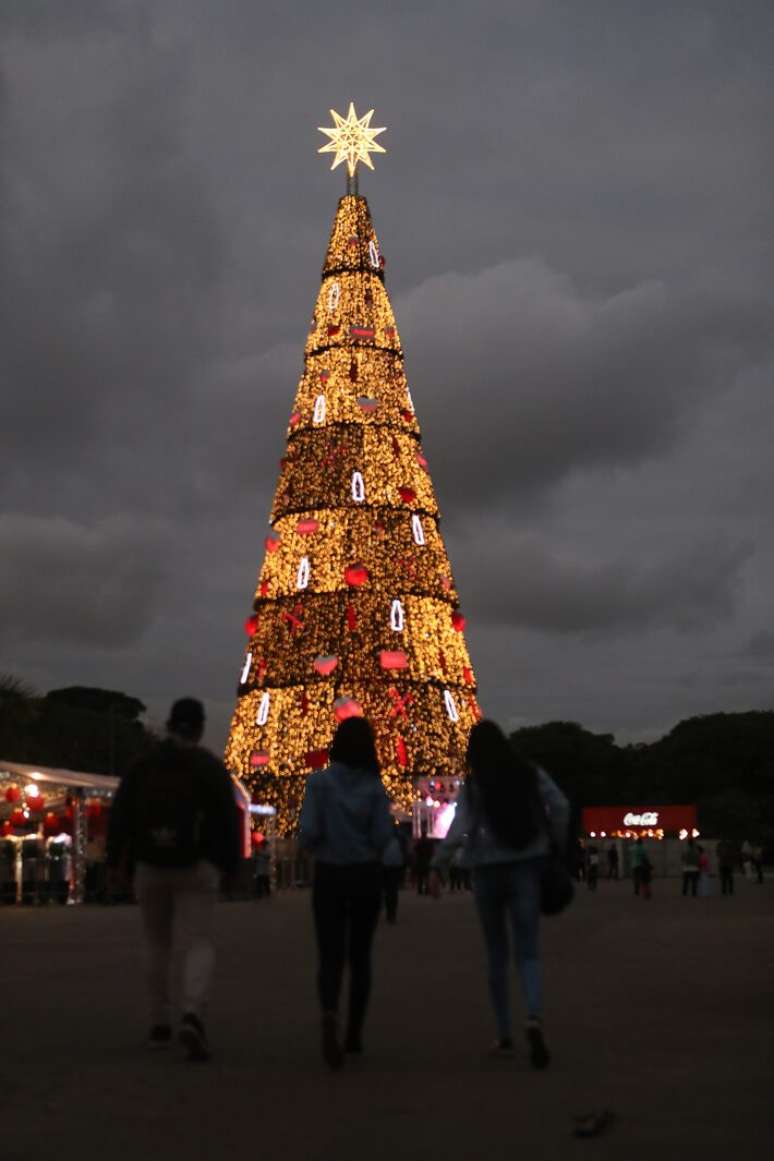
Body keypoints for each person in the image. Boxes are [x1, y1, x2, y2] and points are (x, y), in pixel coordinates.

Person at [429, 720, 570, 1070]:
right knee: (528, 951)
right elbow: (562, 807)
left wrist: (438, 865)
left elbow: (460, 827)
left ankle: (504, 1033)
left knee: (496, 953)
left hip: (487, 869)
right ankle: (534, 1015)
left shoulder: (476, 784)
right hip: (527, 862)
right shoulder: (530, 773)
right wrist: (555, 844)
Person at [106, 698, 241, 1061]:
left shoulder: (142, 766)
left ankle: (158, 1021)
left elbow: (120, 815)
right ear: (198, 728)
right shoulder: (209, 768)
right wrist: (230, 867)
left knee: (155, 941)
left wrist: (115, 861)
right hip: (197, 865)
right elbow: (228, 821)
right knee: (198, 941)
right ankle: (192, 1013)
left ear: (168, 725)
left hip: (149, 864)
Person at [299, 717, 393, 1070]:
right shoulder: (374, 786)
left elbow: (307, 832)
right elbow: (383, 836)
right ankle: (354, 1033)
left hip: (329, 874)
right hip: (365, 874)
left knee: (329, 953)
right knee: (361, 955)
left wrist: (322, 843)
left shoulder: (319, 783)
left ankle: (328, 1012)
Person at [381, 820, 406, 923]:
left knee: (388, 891)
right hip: (394, 865)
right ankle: (391, 914)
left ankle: (390, 913)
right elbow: (404, 851)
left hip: (386, 865)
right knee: (392, 891)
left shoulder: (382, 835)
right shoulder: (399, 837)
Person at [413, 823, 434, 894]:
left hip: (420, 861)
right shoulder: (429, 842)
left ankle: (420, 890)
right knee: (427, 877)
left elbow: (415, 850)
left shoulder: (419, 842)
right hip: (427, 861)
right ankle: (427, 890)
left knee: (420, 877)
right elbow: (432, 852)